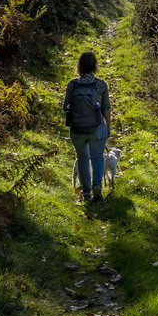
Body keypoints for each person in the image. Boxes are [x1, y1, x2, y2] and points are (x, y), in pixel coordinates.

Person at [63, 51, 112, 202]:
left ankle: (86, 192)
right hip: (96, 128)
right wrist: (108, 128)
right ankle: (97, 185)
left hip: (77, 129)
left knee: (82, 157)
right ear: (95, 66)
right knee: (97, 157)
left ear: (79, 65)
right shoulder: (101, 84)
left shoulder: (72, 84)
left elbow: (65, 107)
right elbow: (106, 108)